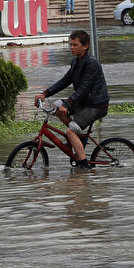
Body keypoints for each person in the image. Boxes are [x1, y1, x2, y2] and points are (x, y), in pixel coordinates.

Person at [35, 29, 109, 169]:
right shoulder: (76, 62)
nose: (72, 48)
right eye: (70, 45)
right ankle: (78, 140)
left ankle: (83, 164)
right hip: (84, 102)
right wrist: (45, 93)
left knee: (70, 131)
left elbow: (84, 88)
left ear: (85, 46)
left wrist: (68, 104)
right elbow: (65, 81)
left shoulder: (91, 63)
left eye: (75, 45)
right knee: (58, 108)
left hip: (96, 105)